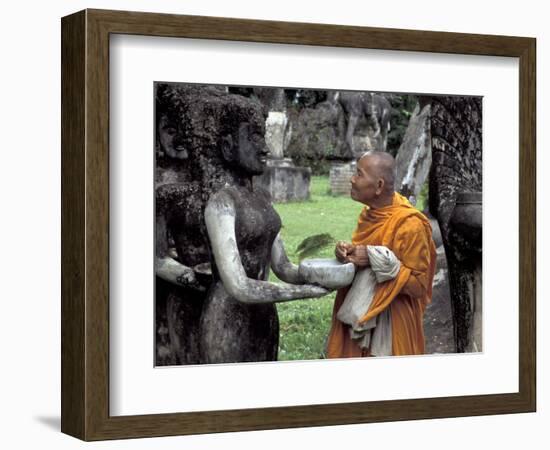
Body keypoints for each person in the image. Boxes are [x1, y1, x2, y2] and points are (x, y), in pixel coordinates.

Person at [327, 151, 437, 357]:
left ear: (378, 186)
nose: (352, 179)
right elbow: (366, 253)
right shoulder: (370, 213)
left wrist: (374, 259)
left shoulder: (410, 224)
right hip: (359, 313)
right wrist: (348, 252)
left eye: (359, 174)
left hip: (394, 323)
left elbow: (419, 286)